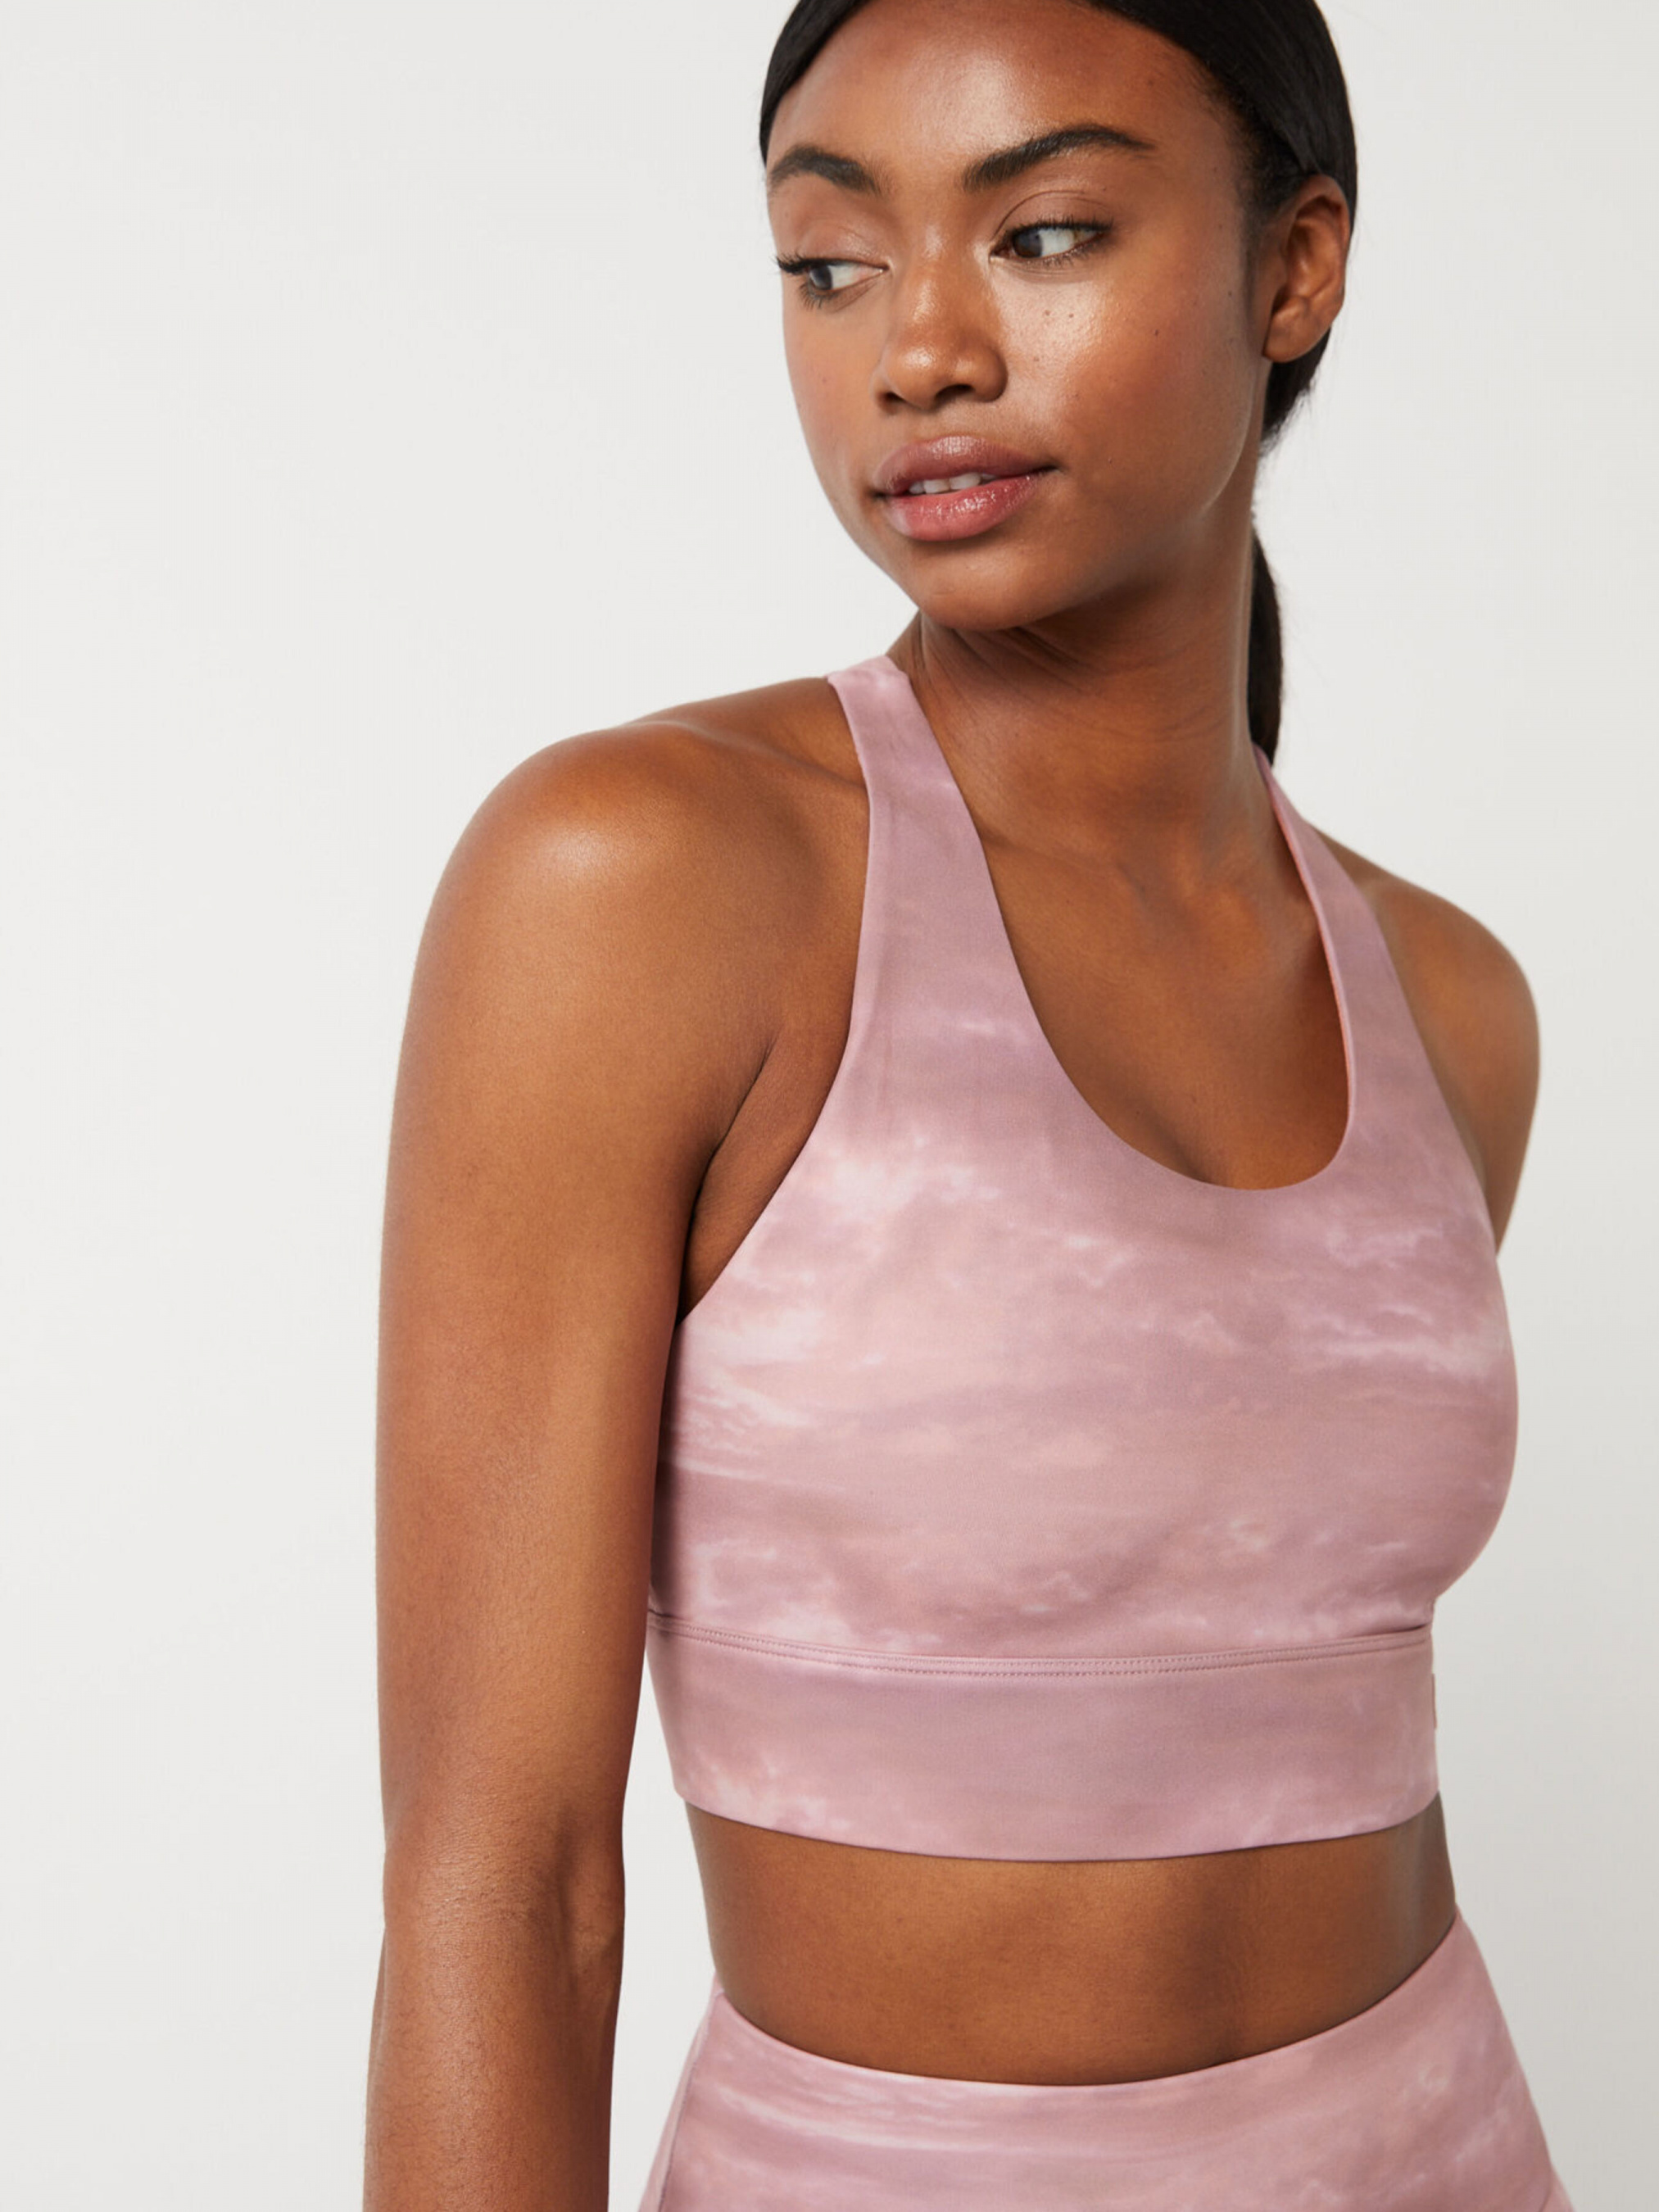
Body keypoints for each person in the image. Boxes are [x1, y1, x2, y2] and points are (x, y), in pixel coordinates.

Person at [364, 2, 1573, 2205]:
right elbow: (501, 1881)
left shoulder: (1447, 1005)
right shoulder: (643, 886)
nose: (918, 351)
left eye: (1044, 234)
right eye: (830, 265)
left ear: (1295, 266)